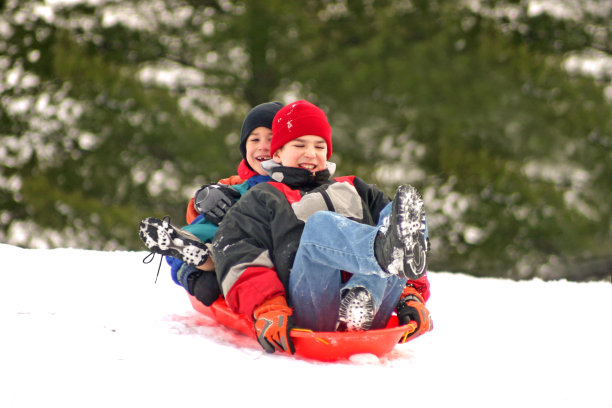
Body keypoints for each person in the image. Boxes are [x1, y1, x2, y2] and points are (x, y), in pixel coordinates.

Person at [210, 100, 432, 355]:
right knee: (320, 223)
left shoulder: (355, 188)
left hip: (373, 307)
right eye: (299, 145)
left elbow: (405, 232)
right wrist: (268, 305)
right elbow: (236, 250)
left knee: (401, 213)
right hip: (311, 307)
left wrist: (410, 294)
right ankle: (382, 254)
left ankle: (360, 297)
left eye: (319, 146)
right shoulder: (263, 197)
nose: (310, 153)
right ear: (278, 153)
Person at [138, 101, 283, 306]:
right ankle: (190, 266)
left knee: (231, 252)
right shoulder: (236, 184)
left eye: (271, 138)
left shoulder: (295, 181)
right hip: (228, 239)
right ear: (244, 147)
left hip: (259, 248)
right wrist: (203, 199)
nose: (262, 146)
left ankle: (204, 269)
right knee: (206, 231)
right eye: (255, 139)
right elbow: (200, 219)